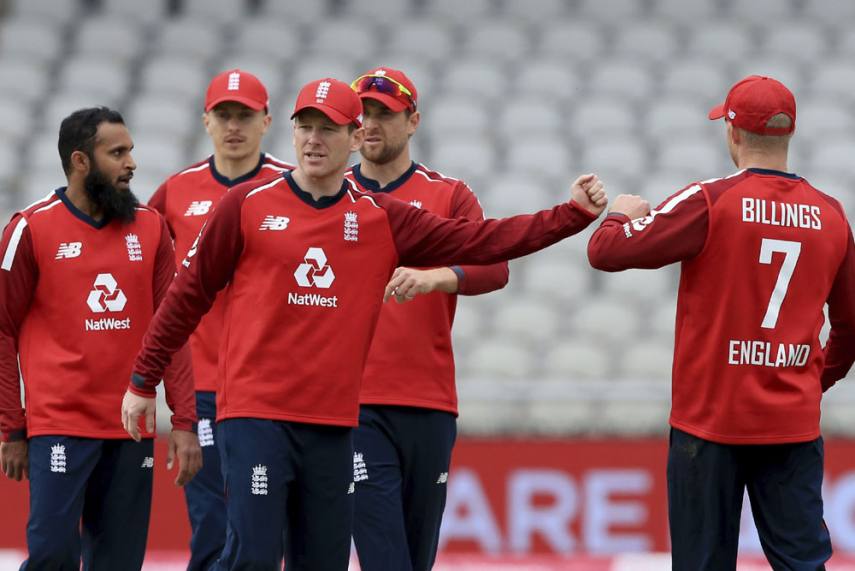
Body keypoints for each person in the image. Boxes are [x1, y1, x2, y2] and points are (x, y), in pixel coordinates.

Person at [122, 77, 607, 570]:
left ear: (354, 138)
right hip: (255, 415)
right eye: (305, 127)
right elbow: (185, 298)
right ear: (290, 134)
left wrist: (571, 215)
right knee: (254, 556)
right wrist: (143, 380)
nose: (314, 139)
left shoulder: (381, 218)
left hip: (334, 425)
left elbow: (485, 242)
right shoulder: (245, 205)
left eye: (328, 129)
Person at [587, 75, 855, 570]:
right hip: (790, 426)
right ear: (788, 136)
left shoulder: (711, 200)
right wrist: (814, 383)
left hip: (708, 425)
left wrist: (618, 215)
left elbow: (605, 253)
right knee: (803, 564)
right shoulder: (832, 215)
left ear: (733, 135)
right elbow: (851, 326)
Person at [0, 107, 202, 570]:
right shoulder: (30, 228)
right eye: (117, 153)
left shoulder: (151, 227)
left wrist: (186, 421)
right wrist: (12, 426)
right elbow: (2, 329)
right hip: (59, 426)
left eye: (130, 150)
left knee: (119, 562)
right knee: (52, 553)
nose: (131, 162)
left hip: (131, 427)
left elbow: (171, 327)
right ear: (80, 161)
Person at [345, 66, 508, 570]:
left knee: (417, 558)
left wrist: (436, 276)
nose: (369, 124)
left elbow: (495, 267)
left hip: (428, 401)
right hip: (352, 404)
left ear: (413, 120)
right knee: (383, 558)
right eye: (361, 115)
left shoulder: (449, 195)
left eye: (383, 114)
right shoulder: (328, 196)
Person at [148, 68, 293, 571]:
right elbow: (145, 274)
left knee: (261, 524)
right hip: (203, 381)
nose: (234, 126)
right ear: (206, 121)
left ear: (267, 121)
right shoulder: (176, 192)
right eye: (224, 116)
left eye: (245, 116)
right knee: (211, 522)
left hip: (272, 385)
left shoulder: (291, 185)